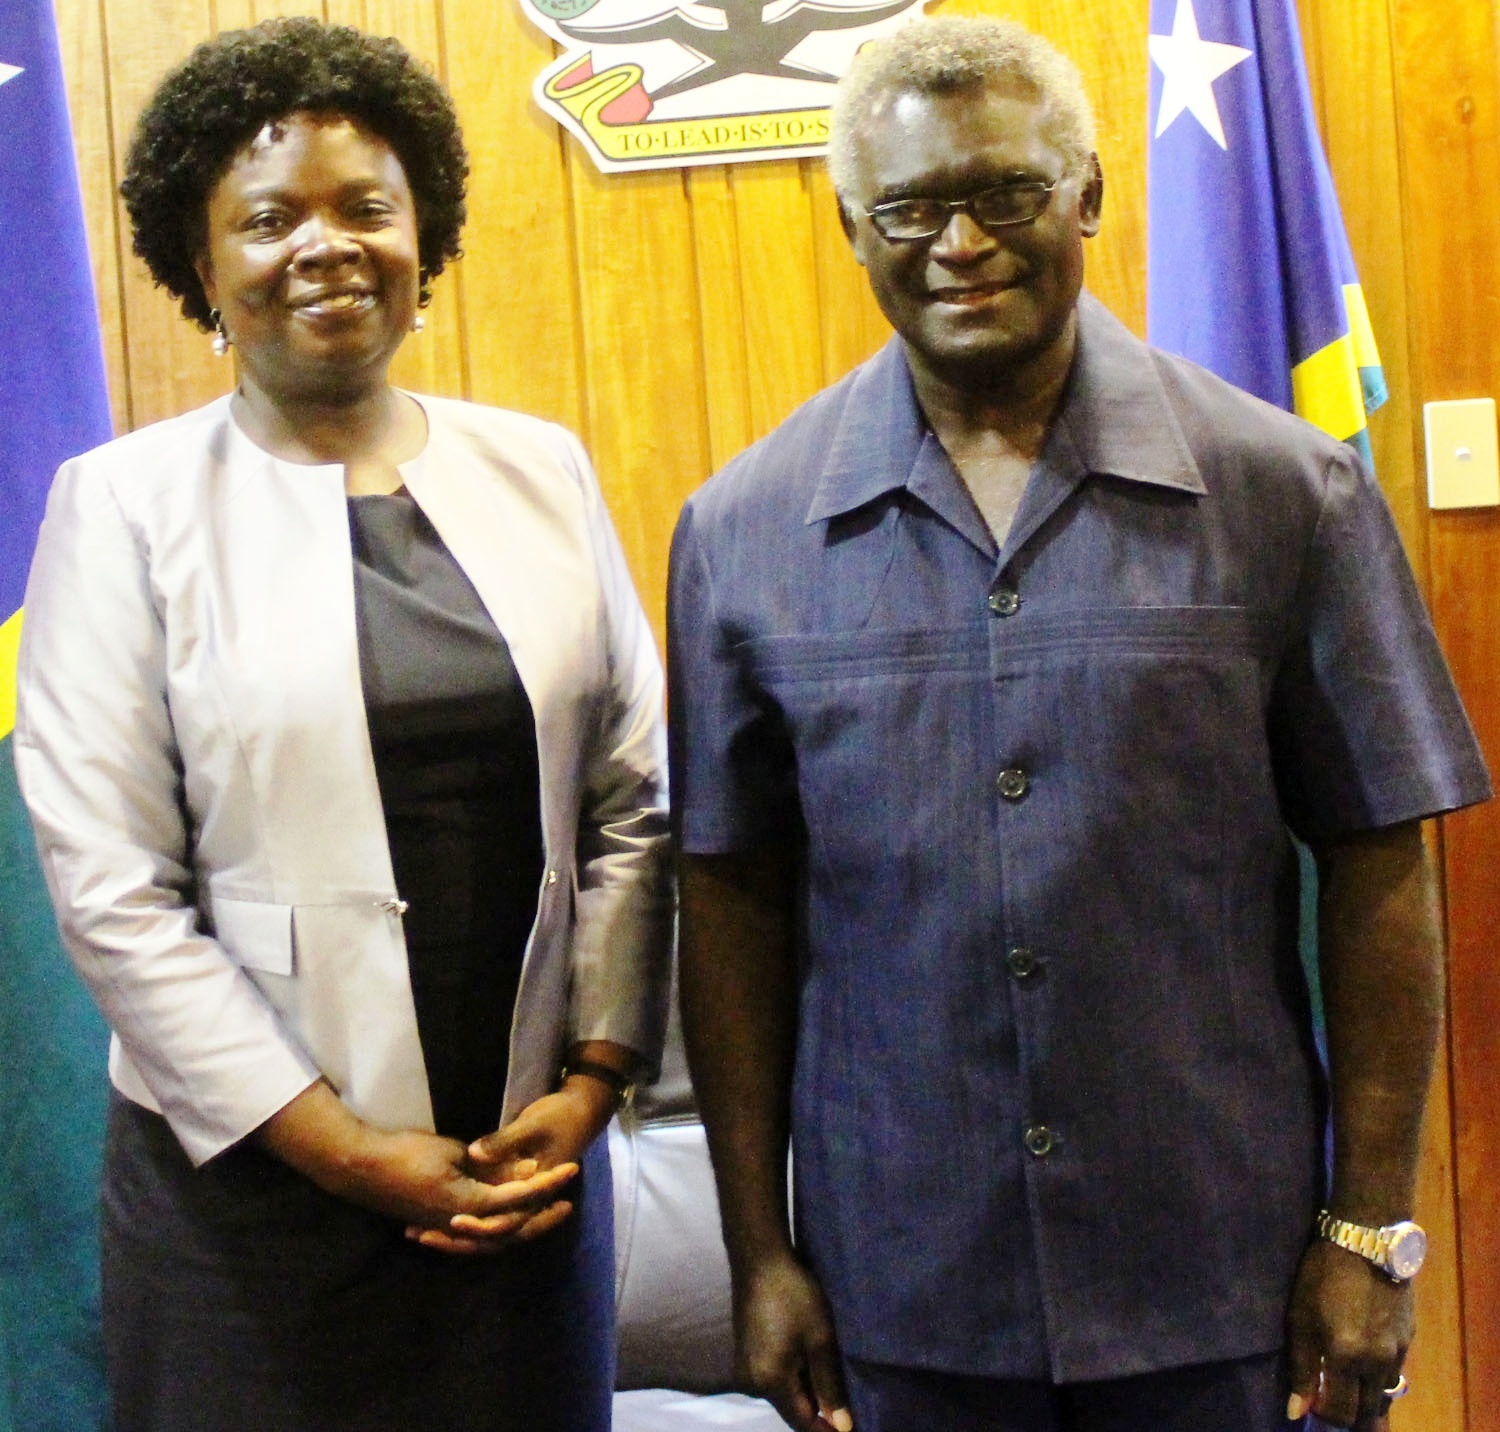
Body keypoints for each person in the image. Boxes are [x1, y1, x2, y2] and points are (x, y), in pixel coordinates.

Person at [667, 16, 1491, 1432]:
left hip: (1219, 1278)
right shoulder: (740, 532)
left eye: (1006, 194)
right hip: (905, 1288)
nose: (960, 244)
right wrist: (761, 1252)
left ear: (1092, 195)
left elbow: (1379, 866)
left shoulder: (1284, 494)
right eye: (911, 209)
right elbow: (731, 900)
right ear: (853, 225)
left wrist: (1368, 1231)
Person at [14, 18, 671, 1432]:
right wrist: (351, 1152)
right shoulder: (121, 509)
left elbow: (634, 805)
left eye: (365, 206)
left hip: (524, 1183)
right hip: (246, 1207)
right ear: (203, 266)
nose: (325, 245)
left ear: (422, 235)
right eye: (269, 219)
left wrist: (598, 1079)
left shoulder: (541, 470)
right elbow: (117, 897)